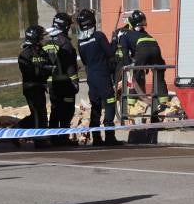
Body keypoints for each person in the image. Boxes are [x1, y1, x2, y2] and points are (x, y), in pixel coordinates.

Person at [75, 9, 122, 146]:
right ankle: (110, 137)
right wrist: (114, 41)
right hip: (102, 76)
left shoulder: (80, 42)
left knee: (95, 107)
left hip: (91, 78)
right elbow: (110, 53)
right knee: (109, 104)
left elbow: (84, 61)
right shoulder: (99, 36)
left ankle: (96, 138)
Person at [123, 10, 169, 117]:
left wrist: (127, 64)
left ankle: (131, 102)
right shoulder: (144, 33)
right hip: (155, 47)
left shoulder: (125, 35)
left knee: (136, 74)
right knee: (159, 72)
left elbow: (125, 52)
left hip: (143, 49)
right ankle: (163, 100)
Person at [43, 12, 80, 145]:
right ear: (65, 27)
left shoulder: (47, 41)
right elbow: (70, 67)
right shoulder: (65, 43)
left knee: (55, 109)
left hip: (52, 84)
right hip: (65, 84)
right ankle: (63, 138)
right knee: (67, 110)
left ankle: (53, 138)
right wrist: (75, 82)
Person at [16, 24, 52, 149]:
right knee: (38, 113)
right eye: (41, 37)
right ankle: (39, 140)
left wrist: (48, 69)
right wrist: (44, 70)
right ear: (35, 38)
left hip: (40, 87)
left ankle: (15, 130)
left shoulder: (42, 52)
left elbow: (47, 66)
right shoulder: (24, 54)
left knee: (41, 113)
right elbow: (30, 72)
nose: (44, 39)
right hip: (31, 88)